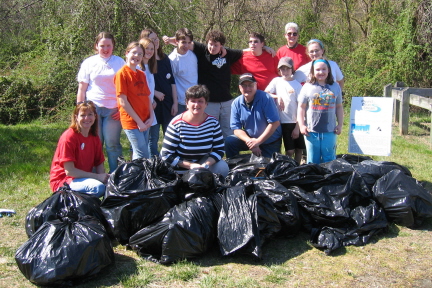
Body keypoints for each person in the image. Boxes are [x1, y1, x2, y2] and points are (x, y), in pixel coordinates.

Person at [76, 32, 125, 173]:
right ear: (96, 46)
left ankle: (117, 175)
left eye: (108, 45)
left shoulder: (120, 62)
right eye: (102, 45)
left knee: (112, 144)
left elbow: (126, 88)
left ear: (113, 46)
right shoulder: (89, 63)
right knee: (95, 143)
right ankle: (92, 175)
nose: (105, 49)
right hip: (93, 109)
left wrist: (122, 109)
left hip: (114, 110)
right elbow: (82, 88)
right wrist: (80, 109)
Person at [160, 85, 229, 177]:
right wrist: (191, 166)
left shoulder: (213, 122)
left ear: (206, 104)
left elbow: (219, 150)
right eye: (193, 101)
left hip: (203, 166)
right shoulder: (176, 124)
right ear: (187, 103)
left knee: (222, 167)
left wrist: (206, 165)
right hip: (179, 169)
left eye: (200, 101)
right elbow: (166, 155)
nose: (196, 105)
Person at [49, 101, 108, 197]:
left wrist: (104, 179)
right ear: (76, 117)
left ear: (95, 116)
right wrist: (97, 177)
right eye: (83, 115)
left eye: (90, 114)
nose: (87, 118)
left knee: (111, 186)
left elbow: (99, 163)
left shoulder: (94, 137)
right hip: (64, 181)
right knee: (98, 188)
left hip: (83, 177)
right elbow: (70, 171)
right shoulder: (69, 137)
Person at [297, 59, 344, 164]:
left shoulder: (335, 86)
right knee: (313, 160)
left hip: (330, 130)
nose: (321, 72)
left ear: (329, 71)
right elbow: (301, 107)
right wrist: (301, 125)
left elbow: (339, 106)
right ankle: (314, 179)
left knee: (329, 159)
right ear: (312, 71)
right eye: (317, 69)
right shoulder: (307, 87)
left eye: (324, 69)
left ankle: (328, 179)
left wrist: (340, 124)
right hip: (311, 131)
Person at [225, 73, 282, 158]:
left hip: (270, 141)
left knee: (268, 169)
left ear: (256, 85)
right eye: (244, 86)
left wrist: (258, 141)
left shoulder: (266, 98)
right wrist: (250, 142)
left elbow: (275, 123)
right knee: (230, 141)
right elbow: (236, 129)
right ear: (239, 88)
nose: (247, 88)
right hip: (250, 139)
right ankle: (233, 166)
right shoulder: (236, 103)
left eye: (250, 85)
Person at [140, 29, 178, 156]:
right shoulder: (144, 61)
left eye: (156, 38)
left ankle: (169, 161)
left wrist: (175, 103)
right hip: (153, 103)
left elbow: (172, 81)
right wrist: (155, 93)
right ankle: (153, 161)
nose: (155, 42)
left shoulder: (165, 58)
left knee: (170, 134)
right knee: (153, 137)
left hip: (168, 102)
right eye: (152, 39)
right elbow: (143, 84)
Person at [114, 42, 153, 160]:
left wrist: (151, 117)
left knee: (138, 155)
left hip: (145, 120)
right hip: (132, 122)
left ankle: (136, 177)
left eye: (140, 54)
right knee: (143, 155)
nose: (137, 56)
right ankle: (142, 177)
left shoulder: (141, 74)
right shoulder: (122, 74)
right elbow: (123, 102)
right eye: (134, 52)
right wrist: (139, 122)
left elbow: (147, 98)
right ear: (126, 53)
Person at [265, 57, 304, 163]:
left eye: (287, 69)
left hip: (296, 121)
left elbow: (302, 106)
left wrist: (297, 127)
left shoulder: (297, 85)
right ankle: (287, 165)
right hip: (283, 122)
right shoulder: (276, 81)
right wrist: (278, 97)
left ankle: (296, 167)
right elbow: (266, 93)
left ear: (292, 69)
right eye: (282, 69)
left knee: (299, 148)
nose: (285, 72)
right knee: (290, 150)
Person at [167, 28, 198, 114]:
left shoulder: (193, 54)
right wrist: (175, 103)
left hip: (196, 99)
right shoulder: (172, 59)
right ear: (176, 41)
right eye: (183, 42)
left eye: (189, 43)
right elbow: (171, 83)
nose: (186, 46)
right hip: (181, 102)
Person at [138, 37, 159, 157]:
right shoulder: (137, 68)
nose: (149, 51)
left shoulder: (150, 68)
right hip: (139, 110)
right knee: (138, 145)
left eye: (152, 49)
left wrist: (153, 100)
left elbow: (149, 90)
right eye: (146, 48)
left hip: (149, 109)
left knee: (147, 142)